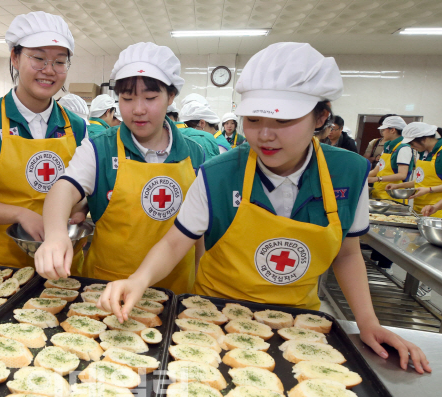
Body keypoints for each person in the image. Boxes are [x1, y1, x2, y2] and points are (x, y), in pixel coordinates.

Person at [96, 42, 430, 374]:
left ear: (321, 116)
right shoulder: (219, 173)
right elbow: (175, 242)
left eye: (283, 121)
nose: (265, 135)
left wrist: (368, 322)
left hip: (299, 323)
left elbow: (346, 253)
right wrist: (140, 279)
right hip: (211, 317)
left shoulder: (349, 172)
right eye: (253, 120)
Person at [35, 42, 206, 295]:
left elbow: (200, 230)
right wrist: (56, 234)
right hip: (106, 289)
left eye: (150, 98)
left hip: (175, 290)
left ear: (171, 97)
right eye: (127, 98)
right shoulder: (100, 149)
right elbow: (63, 189)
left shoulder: (196, 153)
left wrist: (200, 278)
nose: (138, 109)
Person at [0, 11, 87, 269]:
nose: (49, 70)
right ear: (15, 57)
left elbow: (81, 192)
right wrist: (20, 214)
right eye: (38, 58)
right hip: (4, 263)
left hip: (64, 261)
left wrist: (79, 208)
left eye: (60, 62)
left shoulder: (78, 127)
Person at [387, 122, 442, 218]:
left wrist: (429, 190)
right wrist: (399, 185)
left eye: (412, 143)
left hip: (436, 211)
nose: (411, 147)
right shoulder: (423, 153)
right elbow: (422, 181)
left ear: (424, 139)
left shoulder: (440, 154)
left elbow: (428, 186)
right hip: (420, 209)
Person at [368, 115, 413, 201]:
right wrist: (361, 177)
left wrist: (377, 179)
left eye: (384, 130)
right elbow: (376, 170)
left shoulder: (403, 148)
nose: (382, 133)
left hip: (392, 196)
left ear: (392, 130)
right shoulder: (388, 146)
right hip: (379, 193)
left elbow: (402, 175)